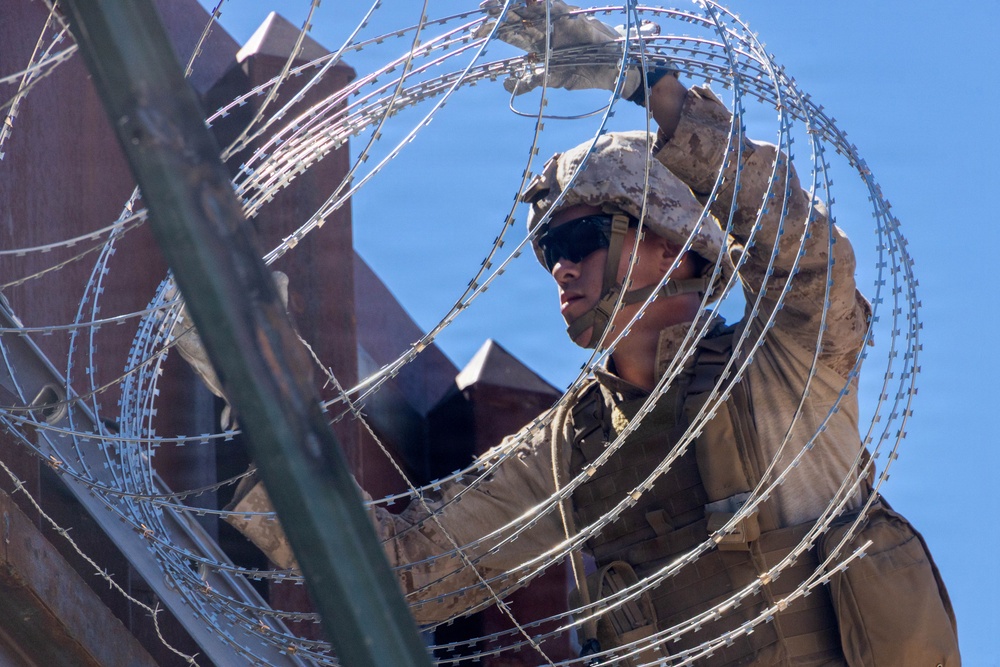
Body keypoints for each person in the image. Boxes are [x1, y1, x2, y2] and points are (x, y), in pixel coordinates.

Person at [224, 3, 960, 665]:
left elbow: (807, 255)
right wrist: (260, 404)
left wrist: (651, 88)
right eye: (549, 250)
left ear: (673, 246)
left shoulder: (783, 363)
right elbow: (411, 574)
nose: (561, 267)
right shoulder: (570, 446)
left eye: (581, 238)